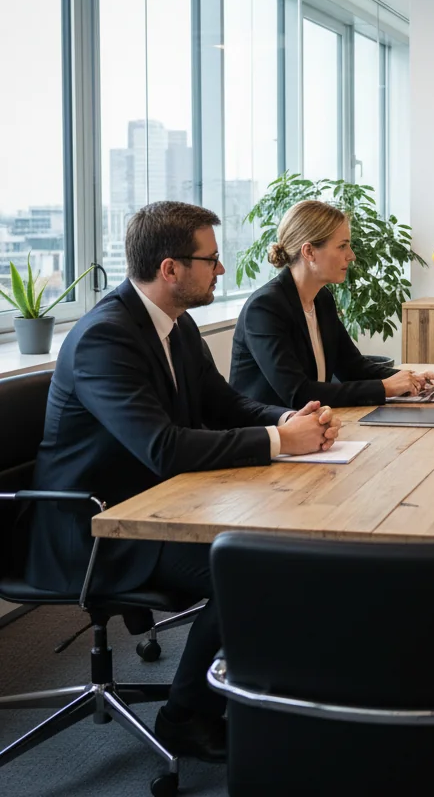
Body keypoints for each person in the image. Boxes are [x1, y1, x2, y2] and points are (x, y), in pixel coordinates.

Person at [27, 202, 338, 763]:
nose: (221, 270)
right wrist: (278, 443)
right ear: (170, 269)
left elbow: (223, 403)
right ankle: (185, 717)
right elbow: (163, 447)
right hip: (95, 526)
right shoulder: (106, 338)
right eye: (211, 260)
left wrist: (285, 422)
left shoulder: (177, 324)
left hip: (159, 503)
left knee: (280, 549)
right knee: (251, 567)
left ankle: (264, 694)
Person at [230, 200, 434, 407]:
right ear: (309, 252)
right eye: (342, 246)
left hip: (311, 425)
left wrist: (410, 378)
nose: (351, 256)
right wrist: (385, 387)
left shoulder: (322, 298)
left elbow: (352, 367)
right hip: (265, 433)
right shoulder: (265, 307)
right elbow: (298, 393)